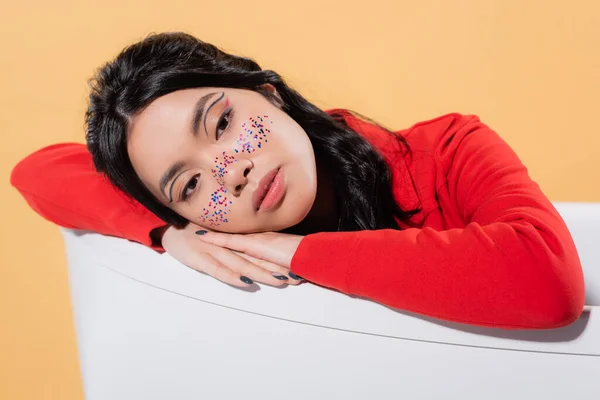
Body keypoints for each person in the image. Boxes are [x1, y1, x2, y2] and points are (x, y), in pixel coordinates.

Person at [11, 32, 585, 330]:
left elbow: (547, 281)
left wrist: (300, 251)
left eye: (223, 122)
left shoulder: (448, 148)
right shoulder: (196, 224)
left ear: (267, 92)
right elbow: (35, 172)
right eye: (188, 185)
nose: (228, 171)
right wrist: (167, 233)